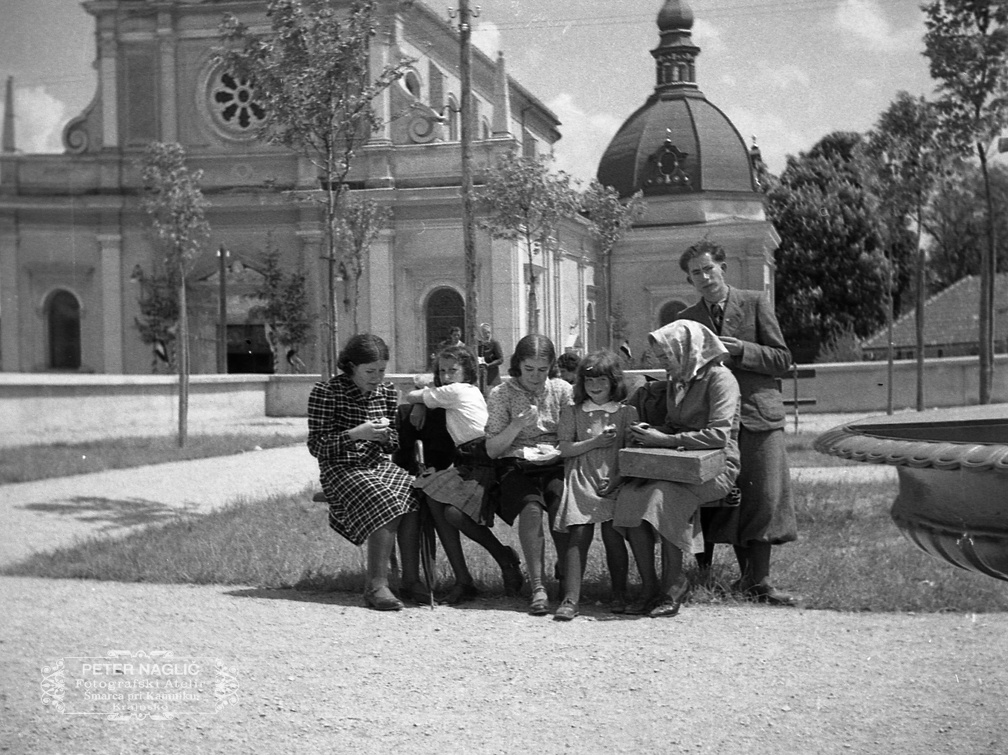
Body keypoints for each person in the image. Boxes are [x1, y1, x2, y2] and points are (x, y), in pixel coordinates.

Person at [677, 240, 799, 605]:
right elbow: (681, 372)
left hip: (759, 416)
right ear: (689, 280)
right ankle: (711, 576)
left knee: (763, 497)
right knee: (720, 498)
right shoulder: (687, 319)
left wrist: (741, 350)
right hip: (714, 421)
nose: (704, 277)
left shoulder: (755, 302)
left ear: (723, 268)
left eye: (708, 269)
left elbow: (782, 359)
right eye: (696, 273)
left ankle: (759, 581)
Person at [615, 320, 741, 618]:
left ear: (687, 350)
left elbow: (719, 436)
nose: (663, 363)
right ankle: (649, 587)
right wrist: (650, 431)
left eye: (666, 356)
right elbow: (675, 425)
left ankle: (674, 584)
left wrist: (666, 439)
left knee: (661, 497)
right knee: (630, 497)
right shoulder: (678, 380)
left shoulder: (721, 379)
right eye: (660, 357)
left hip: (716, 467)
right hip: (676, 463)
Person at [307, 334, 427, 612]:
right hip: (341, 468)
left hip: (376, 465)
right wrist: (354, 434)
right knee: (386, 499)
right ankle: (376, 585)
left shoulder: (386, 392)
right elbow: (317, 446)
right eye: (370, 372)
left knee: (414, 494)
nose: (377, 378)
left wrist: (385, 437)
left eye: (381, 371)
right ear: (351, 366)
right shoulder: (326, 392)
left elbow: (394, 443)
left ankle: (410, 580)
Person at [404, 344, 524, 605]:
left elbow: (412, 394)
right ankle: (463, 579)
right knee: (433, 496)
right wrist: (424, 399)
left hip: (484, 460)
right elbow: (423, 394)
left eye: (453, 370)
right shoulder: (456, 392)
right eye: (442, 371)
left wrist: (420, 400)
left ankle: (503, 557)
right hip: (467, 459)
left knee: (454, 513)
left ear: (467, 372)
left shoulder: (458, 391)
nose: (446, 376)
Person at [485, 334, 573, 616]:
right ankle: (538, 585)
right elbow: (492, 450)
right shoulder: (502, 394)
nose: (535, 377)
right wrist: (515, 425)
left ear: (552, 366)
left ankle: (567, 576)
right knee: (531, 508)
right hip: (516, 462)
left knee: (561, 505)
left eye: (542, 370)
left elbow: (573, 434)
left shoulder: (562, 390)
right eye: (529, 369)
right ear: (518, 365)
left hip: (555, 460)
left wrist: (558, 446)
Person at [553, 350, 637, 621]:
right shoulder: (572, 411)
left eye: (602, 380)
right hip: (582, 477)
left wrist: (617, 479)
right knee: (578, 534)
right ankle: (571, 598)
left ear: (614, 381)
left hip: (614, 479)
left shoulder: (626, 413)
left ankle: (619, 593)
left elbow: (632, 453)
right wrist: (594, 442)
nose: (595, 386)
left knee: (613, 535)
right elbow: (565, 449)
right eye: (589, 381)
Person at [475, 323, 504, 394]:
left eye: (488, 332)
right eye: (485, 333)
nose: (487, 335)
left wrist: (489, 365)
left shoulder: (494, 343)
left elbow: (501, 359)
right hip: (480, 376)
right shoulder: (477, 344)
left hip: (492, 376)